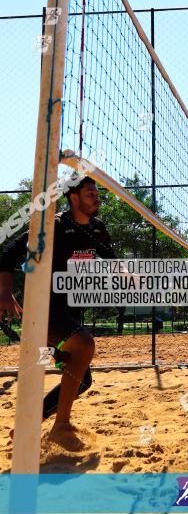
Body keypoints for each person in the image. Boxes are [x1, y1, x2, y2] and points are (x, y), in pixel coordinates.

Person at [0, 175, 115, 450]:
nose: (96, 198)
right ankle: (61, 426)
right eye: (90, 194)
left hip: (70, 314)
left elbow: (112, 262)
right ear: (73, 198)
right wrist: (4, 293)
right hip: (44, 311)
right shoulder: (53, 226)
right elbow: (8, 254)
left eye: (97, 193)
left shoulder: (97, 229)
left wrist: (125, 275)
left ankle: (27, 427)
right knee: (85, 345)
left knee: (82, 378)